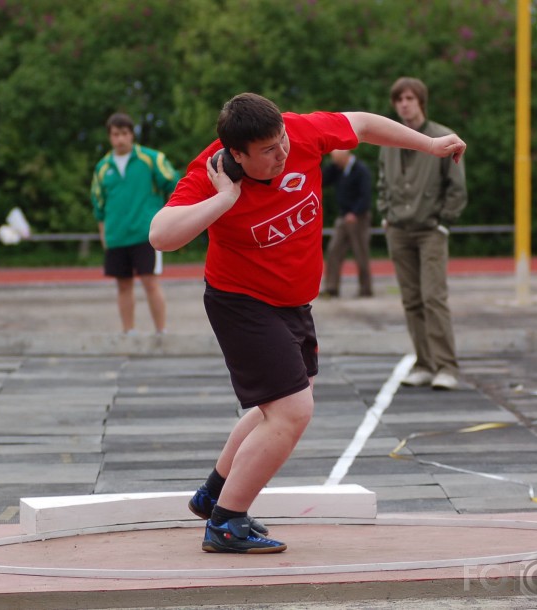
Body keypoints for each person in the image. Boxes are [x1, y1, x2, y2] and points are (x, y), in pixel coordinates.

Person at [149, 92, 465, 554]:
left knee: (273, 408)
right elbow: (161, 235)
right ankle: (226, 523)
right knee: (293, 411)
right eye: (268, 151)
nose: (282, 154)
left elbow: (363, 124)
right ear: (236, 155)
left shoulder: (299, 132)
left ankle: (215, 492)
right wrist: (225, 199)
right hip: (242, 302)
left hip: (293, 302)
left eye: (282, 143)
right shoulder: (211, 174)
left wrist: (429, 145)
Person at [376, 77, 467, 391]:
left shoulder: (442, 136)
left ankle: (446, 366)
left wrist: (444, 222)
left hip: (430, 230)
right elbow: (383, 181)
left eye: (410, 98)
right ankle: (425, 364)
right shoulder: (389, 139)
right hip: (398, 229)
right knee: (411, 300)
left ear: (421, 102)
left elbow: (456, 187)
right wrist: (385, 213)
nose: (404, 103)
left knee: (433, 298)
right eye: (399, 98)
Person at [91, 113, 180, 334]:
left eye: (124, 134)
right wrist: (105, 237)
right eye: (115, 134)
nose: (119, 139)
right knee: (123, 285)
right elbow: (98, 206)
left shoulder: (151, 159)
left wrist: (168, 218)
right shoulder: (102, 168)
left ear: (132, 135)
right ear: (109, 137)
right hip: (117, 236)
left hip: (146, 234)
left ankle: (161, 332)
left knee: (150, 282)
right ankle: (129, 332)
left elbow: (176, 184)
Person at [320, 149, 373, 298]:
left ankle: (365, 289)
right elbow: (322, 179)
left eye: (336, 158)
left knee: (361, 254)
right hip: (343, 217)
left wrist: (355, 212)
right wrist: (331, 165)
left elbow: (366, 195)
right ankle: (332, 287)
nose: (334, 161)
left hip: (359, 218)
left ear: (346, 155)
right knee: (333, 251)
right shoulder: (337, 170)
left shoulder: (361, 170)